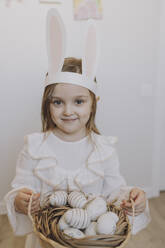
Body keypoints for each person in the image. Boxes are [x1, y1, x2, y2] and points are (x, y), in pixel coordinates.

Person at [4, 9, 150, 248]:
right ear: (47, 104)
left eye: (79, 101)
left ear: (94, 104)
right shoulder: (34, 147)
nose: (68, 111)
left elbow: (115, 193)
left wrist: (133, 198)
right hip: (47, 240)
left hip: (91, 241)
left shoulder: (104, 149)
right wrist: (20, 200)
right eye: (58, 102)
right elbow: (21, 187)